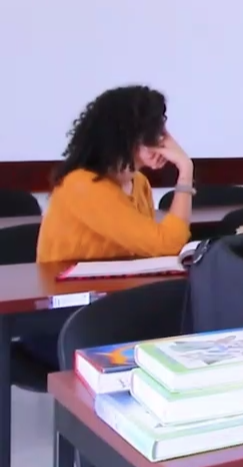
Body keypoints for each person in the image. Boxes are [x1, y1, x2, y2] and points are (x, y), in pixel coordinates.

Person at [25, 85, 194, 366]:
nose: (162, 141)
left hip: (114, 304)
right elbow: (167, 243)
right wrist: (185, 170)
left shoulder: (139, 183)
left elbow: (154, 248)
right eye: (151, 132)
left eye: (161, 130)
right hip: (67, 318)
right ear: (122, 136)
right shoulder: (82, 185)